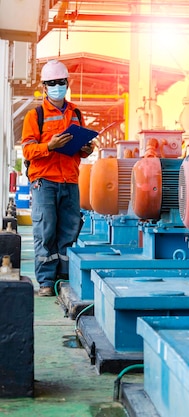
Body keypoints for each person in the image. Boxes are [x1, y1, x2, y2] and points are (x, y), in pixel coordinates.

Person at [21, 60, 95, 297]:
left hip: (70, 180)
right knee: (46, 230)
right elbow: (28, 151)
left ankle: (63, 276)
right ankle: (45, 281)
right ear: (44, 87)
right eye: (51, 83)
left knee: (69, 230)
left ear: (67, 83)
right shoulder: (36, 115)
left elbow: (80, 149)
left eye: (60, 83)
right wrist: (50, 146)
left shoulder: (76, 113)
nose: (56, 87)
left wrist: (87, 149)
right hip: (45, 181)